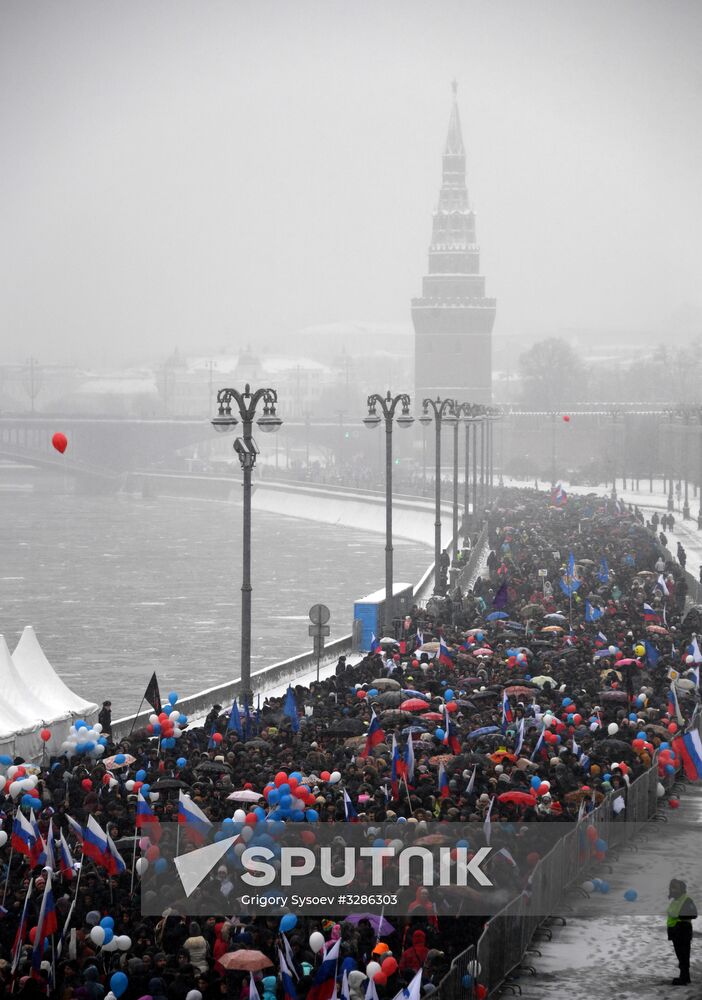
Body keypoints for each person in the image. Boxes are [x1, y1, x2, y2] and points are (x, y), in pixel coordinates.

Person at [667, 878, 697, 985]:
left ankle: (684, 978)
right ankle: (684, 976)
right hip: (676, 931)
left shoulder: (686, 900)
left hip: (683, 930)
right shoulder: (675, 901)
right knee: (680, 955)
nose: (672, 890)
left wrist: (680, 919)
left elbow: (694, 914)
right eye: (671, 887)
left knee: (683, 955)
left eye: (675, 888)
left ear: (681, 889)